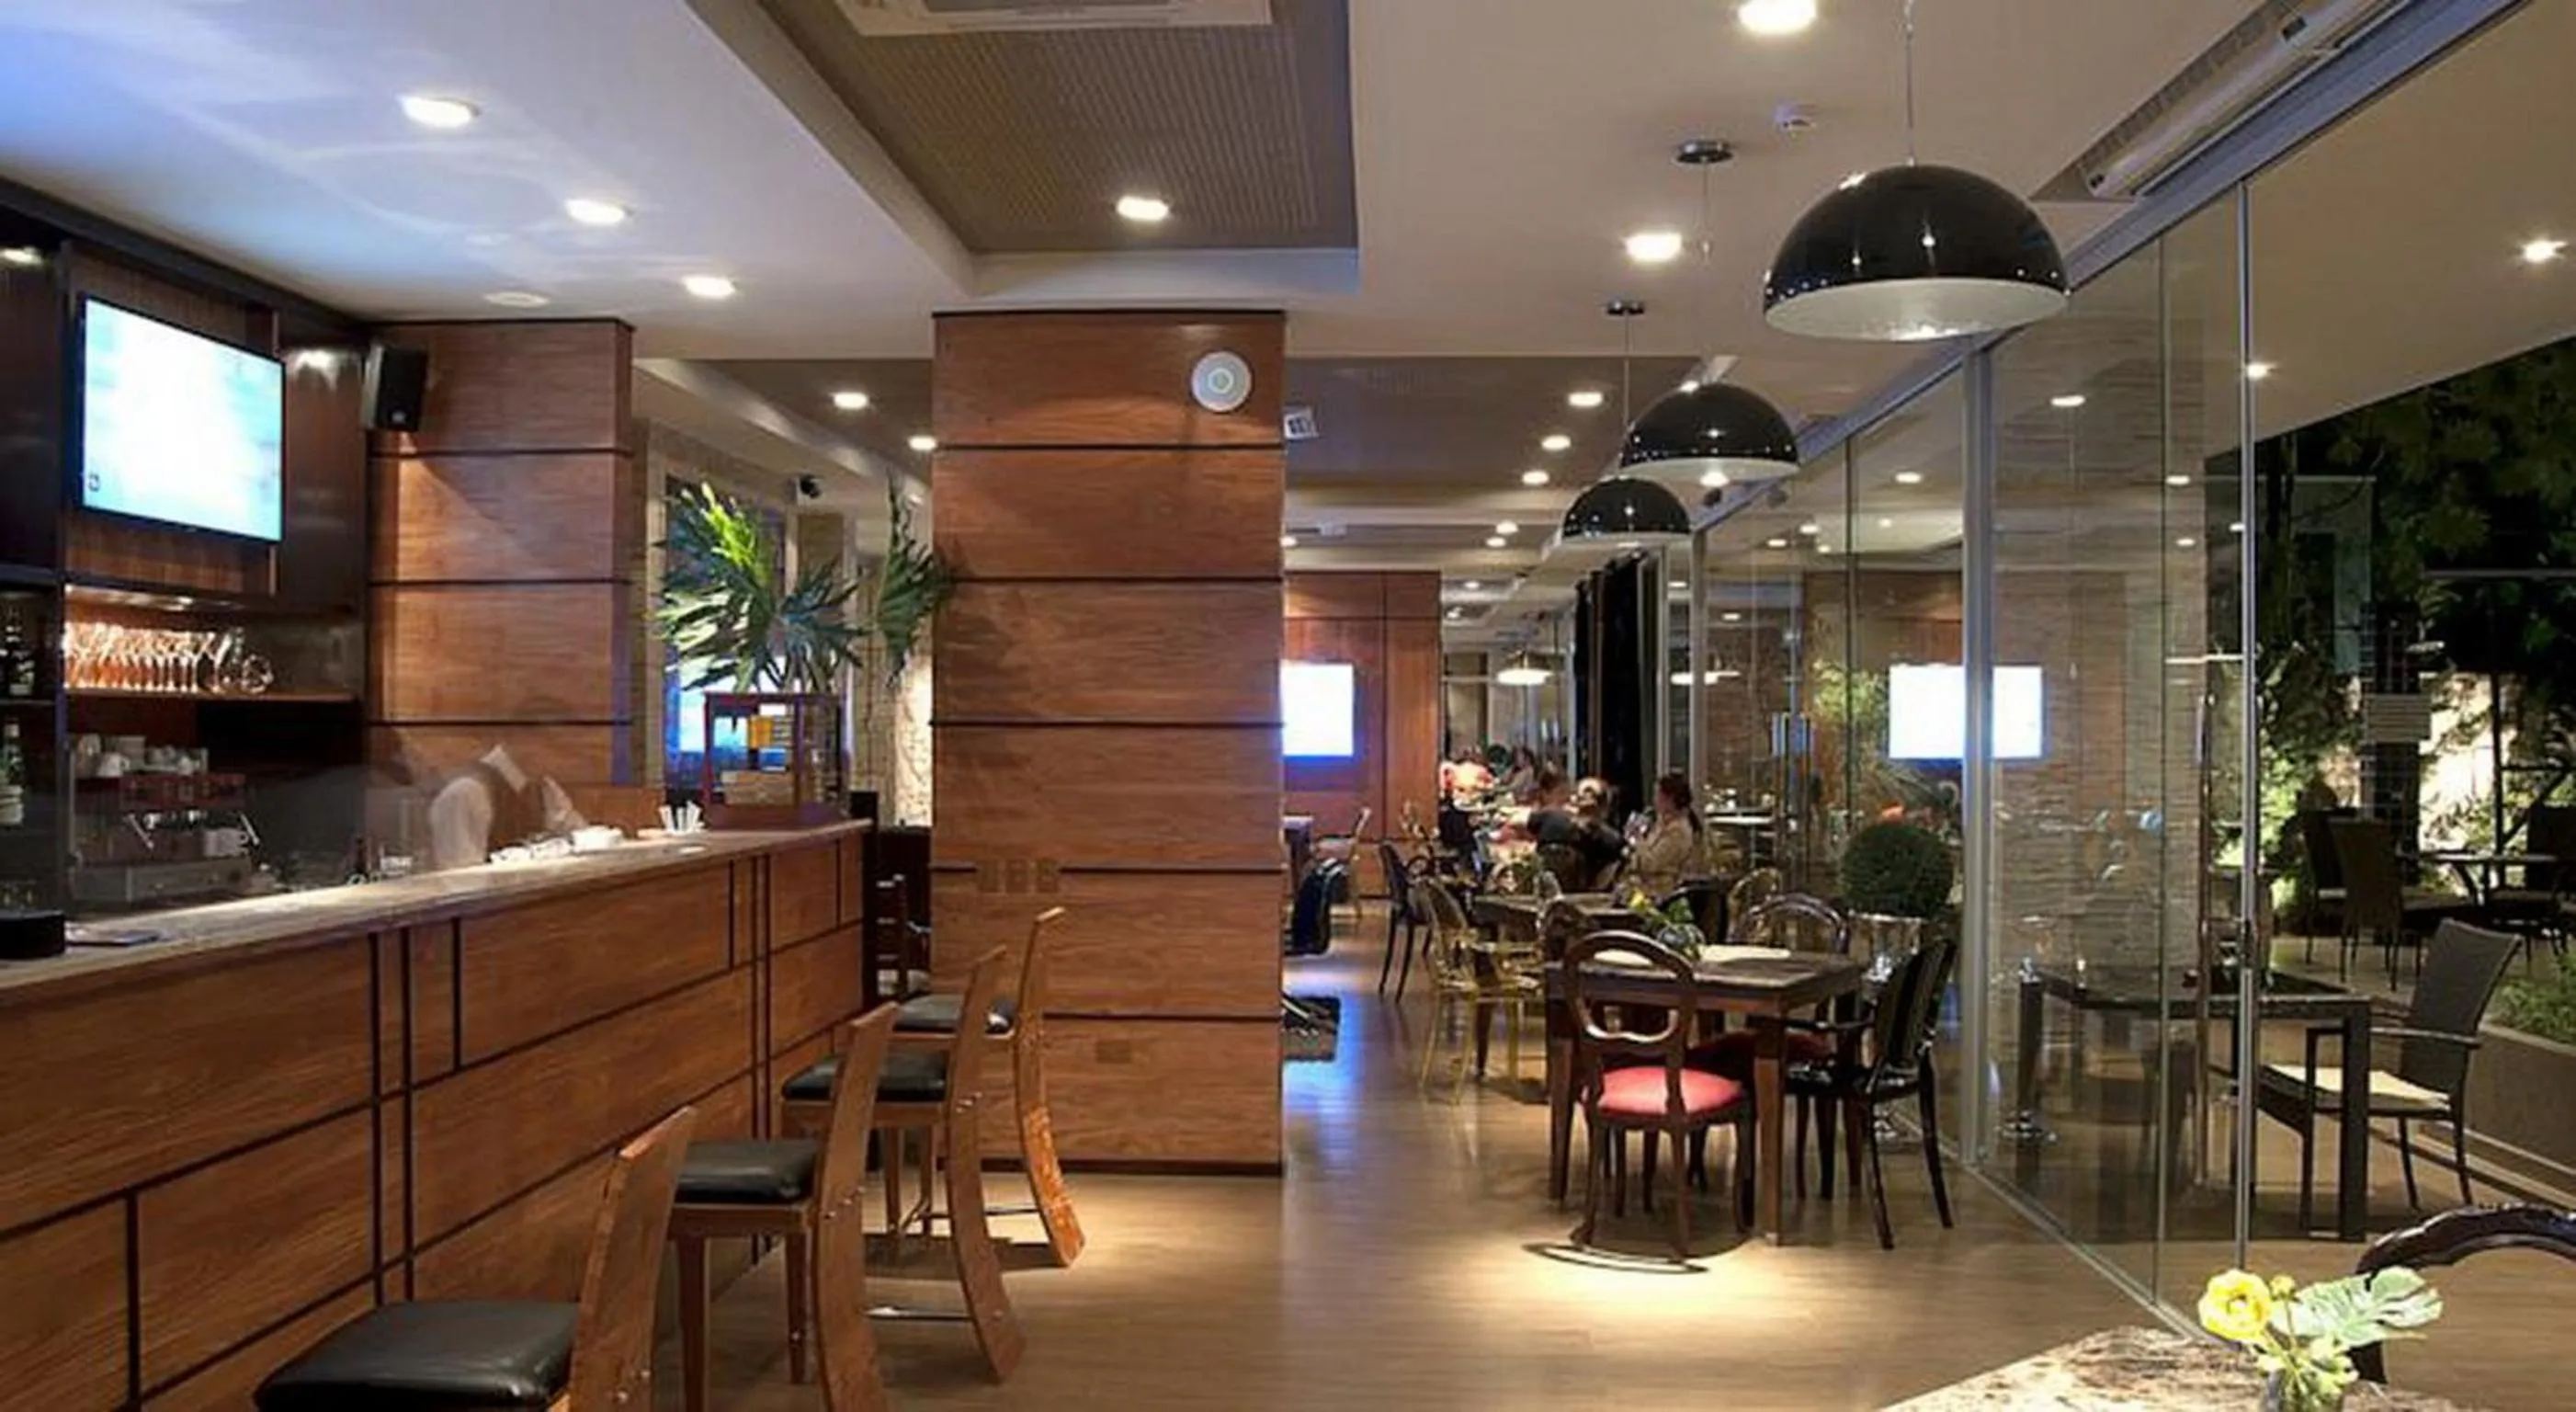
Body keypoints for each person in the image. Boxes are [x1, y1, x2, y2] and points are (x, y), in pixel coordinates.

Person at [1527, 776, 1626, 885]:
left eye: (1590, 793)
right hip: (1568, 890)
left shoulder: (1602, 832)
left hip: (1553, 886)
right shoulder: (1552, 816)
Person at [1628, 772, 1709, 897]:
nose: (1655, 800)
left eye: (1658, 795)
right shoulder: (1660, 824)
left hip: (1661, 894)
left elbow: (1652, 864)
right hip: (1642, 890)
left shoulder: (1679, 831)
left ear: (1670, 799)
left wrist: (1638, 838)